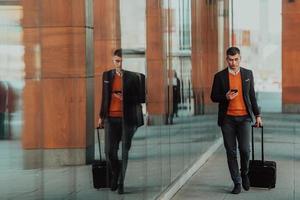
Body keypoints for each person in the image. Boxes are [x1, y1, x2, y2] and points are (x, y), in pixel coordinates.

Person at [211, 47, 263, 194]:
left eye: (236, 59)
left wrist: (257, 115)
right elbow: (213, 96)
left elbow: (252, 96)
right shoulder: (219, 76)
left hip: (245, 118)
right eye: (230, 59)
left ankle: (244, 173)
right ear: (226, 59)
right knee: (231, 151)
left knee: (245, 150)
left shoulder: (247, 74)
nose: (233, 63)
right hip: (227, 119)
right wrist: (225, 97)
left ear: (240, 58)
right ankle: (237, 182)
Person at [98, 49, 145, 194]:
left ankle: (120, 182)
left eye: (119, 61)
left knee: (124, 151)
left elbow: (141, 98)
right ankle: (115, 174)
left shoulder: (133, 77)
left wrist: (125, 97)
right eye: (115, 61)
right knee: (110, 151)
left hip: (127, 120)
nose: (117, 64)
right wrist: (101, 116)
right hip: (111, 119)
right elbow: (104, 97)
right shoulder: (107, 75)